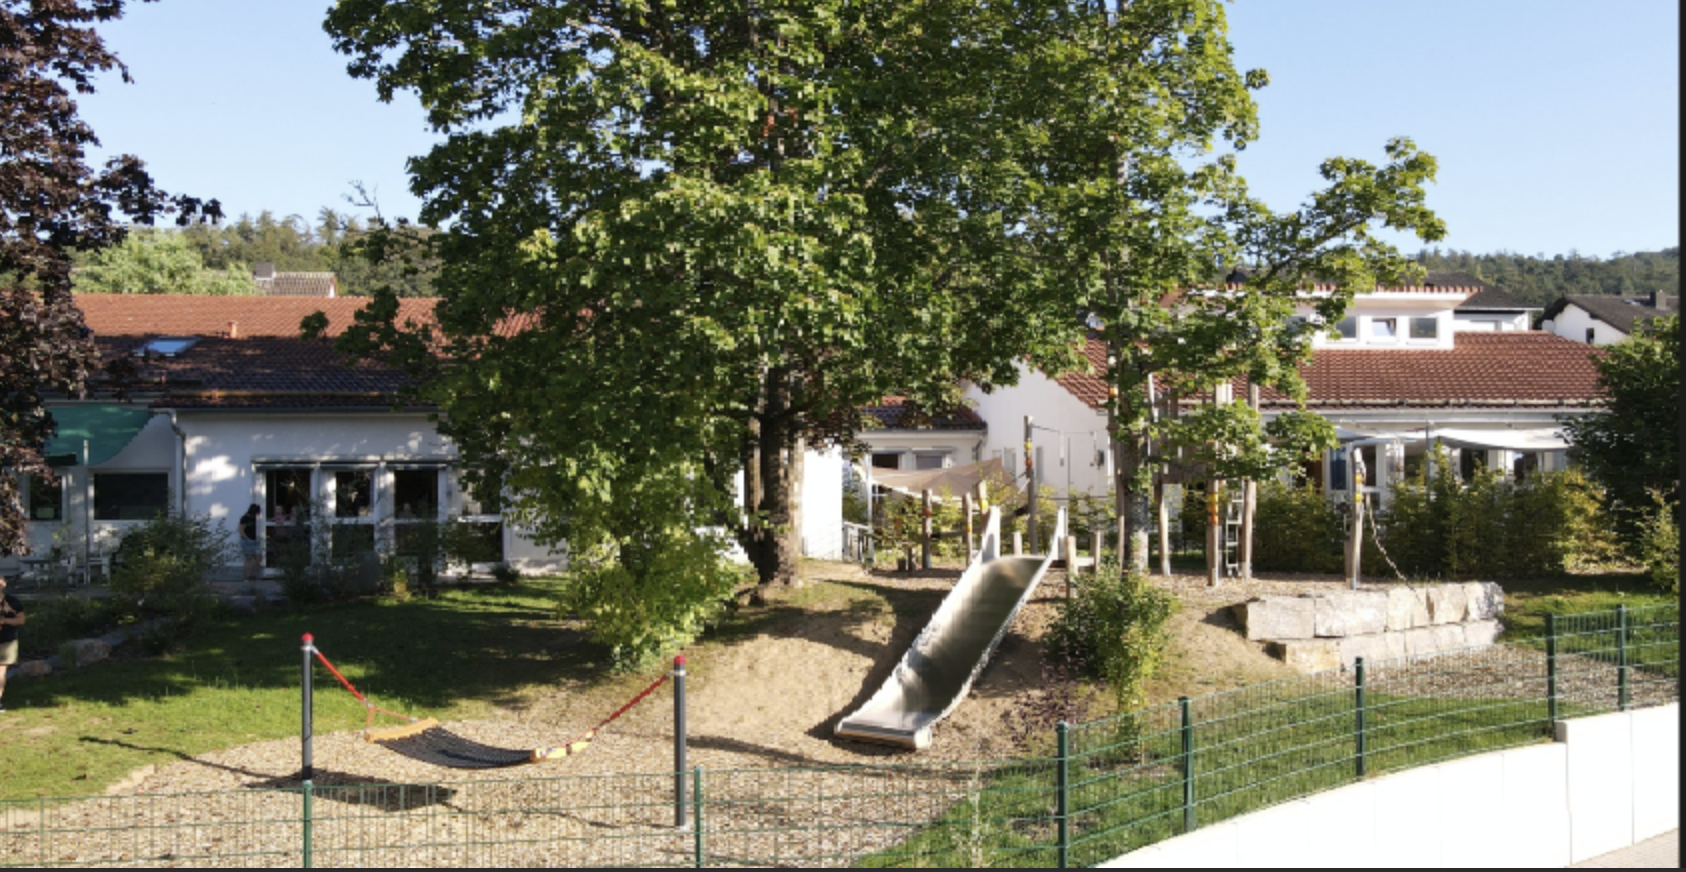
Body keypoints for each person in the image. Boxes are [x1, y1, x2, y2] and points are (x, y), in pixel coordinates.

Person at [0, 573, 25, 714]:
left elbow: (21, 620)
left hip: (7, 641)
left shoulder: (12, 601)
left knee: (1, 671)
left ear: (4, 585)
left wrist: (5, 621)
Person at [239, 503, 263, 581]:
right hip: (247, 540)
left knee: (258, 558)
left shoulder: (255, 518)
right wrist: (247, 539)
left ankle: (254, 575)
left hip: (255, 540)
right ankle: (247, 576)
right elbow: (241, 530)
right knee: (248, 558)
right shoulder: (245, 518)